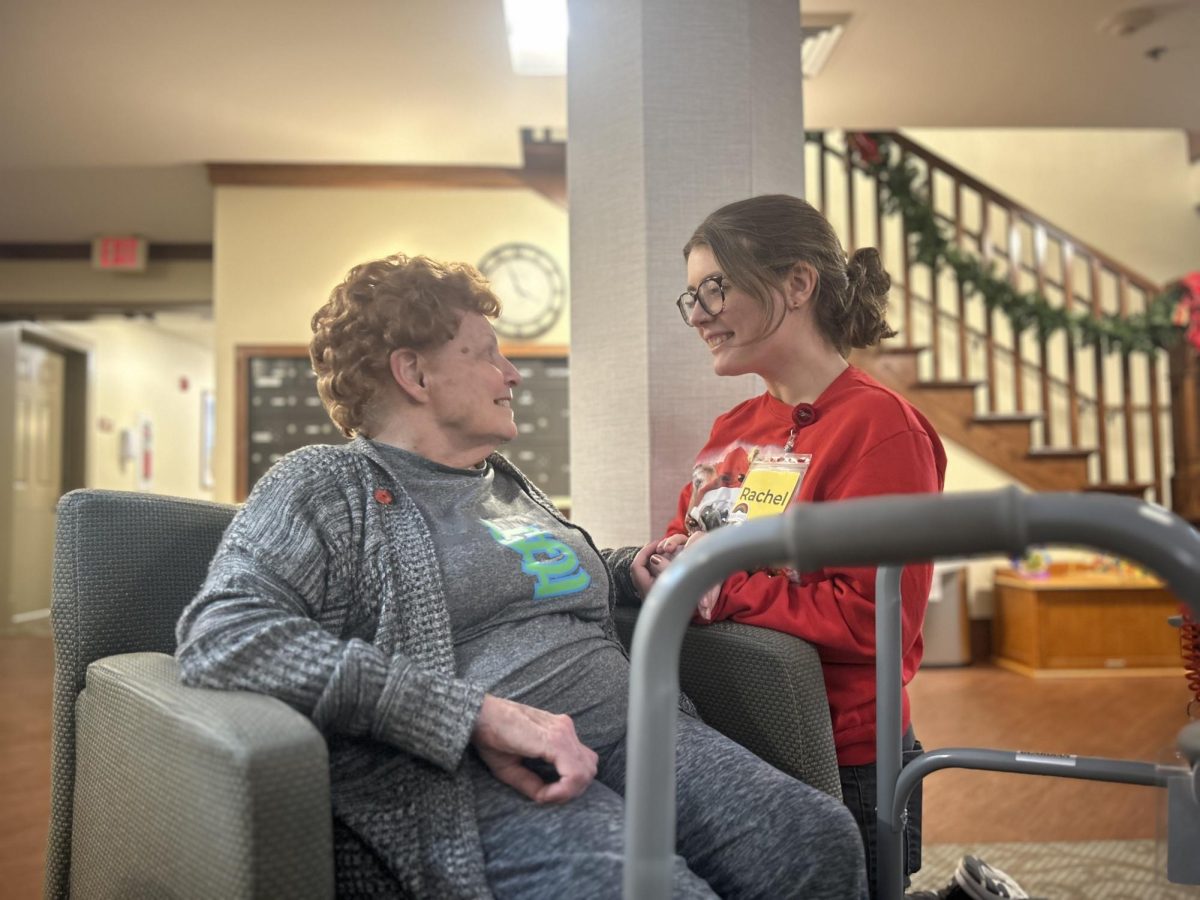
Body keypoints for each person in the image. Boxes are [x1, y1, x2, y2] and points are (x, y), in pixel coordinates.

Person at [175, 252, 867, 899]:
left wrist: (631, 570)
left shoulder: (501, 483)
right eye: (488, 355)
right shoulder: (325, 484)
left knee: (816, 841)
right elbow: (225, 635)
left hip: (640, 729)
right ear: (414, 375)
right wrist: (472, 716)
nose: (513, 374)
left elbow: (542, 578)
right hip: (482, 772)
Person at [623, 194, 1022, 900]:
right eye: (690, 297)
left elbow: (878, 621)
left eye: (714, 287)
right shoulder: (734, 426)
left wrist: (712, 586)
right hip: (734, 729)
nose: (699, 315)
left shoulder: (879, 428)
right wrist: (661, 564)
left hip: (844, 754)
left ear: (797, 284)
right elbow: (700, 546)